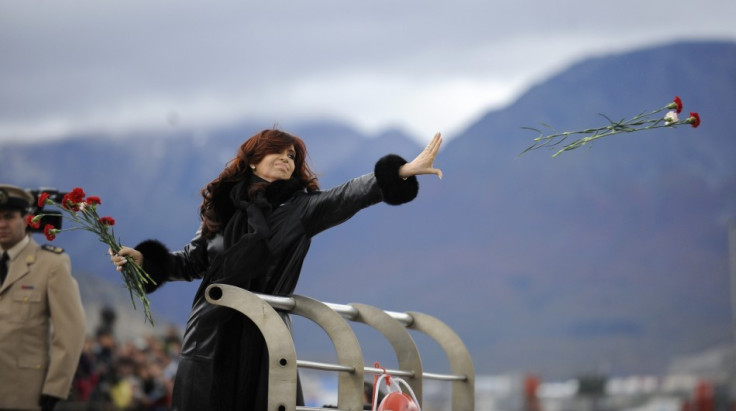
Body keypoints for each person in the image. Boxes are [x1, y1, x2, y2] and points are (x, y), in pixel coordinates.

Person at [111, 129, 443, 410]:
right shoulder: (222, 208)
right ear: (254, 159)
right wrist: (144, 261)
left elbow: (347, 196)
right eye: (278, 152)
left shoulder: (302, 209)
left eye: (292, 156)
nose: (288, 159)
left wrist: (400, 173)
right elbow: (191, 262)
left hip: (266, 337)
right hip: (209, 337)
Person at [0, 184, 87, 410]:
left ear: (27, 219)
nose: (1, 224)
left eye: (9, 216)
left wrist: (55, 388)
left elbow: (70, 330)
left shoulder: (51, 264)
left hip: (24, 392)